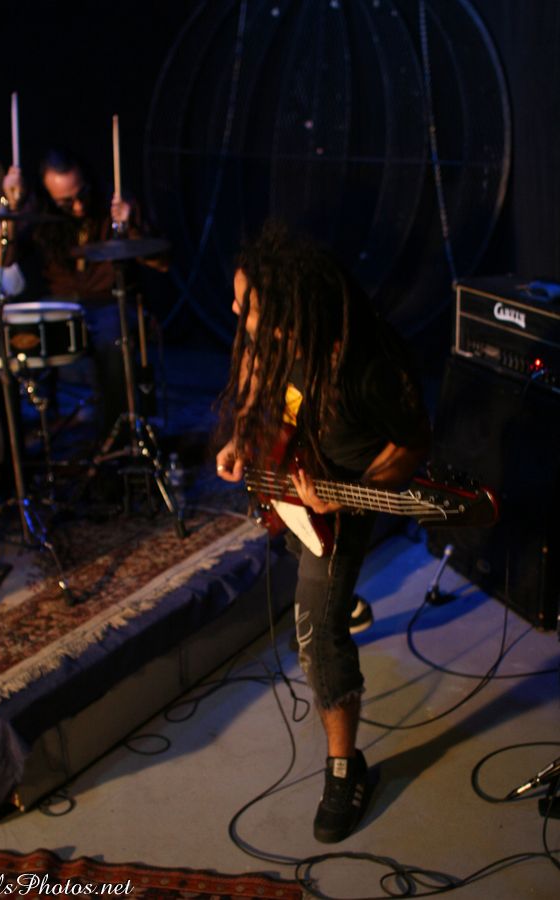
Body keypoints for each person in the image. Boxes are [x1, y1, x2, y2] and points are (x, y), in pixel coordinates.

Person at [216, 223, 431, 844]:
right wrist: (241, 437)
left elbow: (413, 443)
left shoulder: (367, 366)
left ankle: (344, 768)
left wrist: (348, 491)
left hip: (339, 505)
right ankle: (344, 601)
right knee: (309, 576)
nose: (234, 311)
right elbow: (257, 370)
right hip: (293, 483)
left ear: (288, 313)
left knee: (316, 637)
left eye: (246, 304)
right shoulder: (278, 338)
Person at [0, 148, 165, 436]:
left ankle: (117, 435)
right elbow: (4, 259)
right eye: (65, 202)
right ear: (49, 197)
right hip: (61, 304)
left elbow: (162, 261)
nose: (77, 206)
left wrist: (131, 226)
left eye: (81, 194)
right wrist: (9, 209)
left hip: (109, 301)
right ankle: (29, 436)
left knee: (113, 339)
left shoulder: (115, 201)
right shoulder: (38, 210)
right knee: (10, 338)